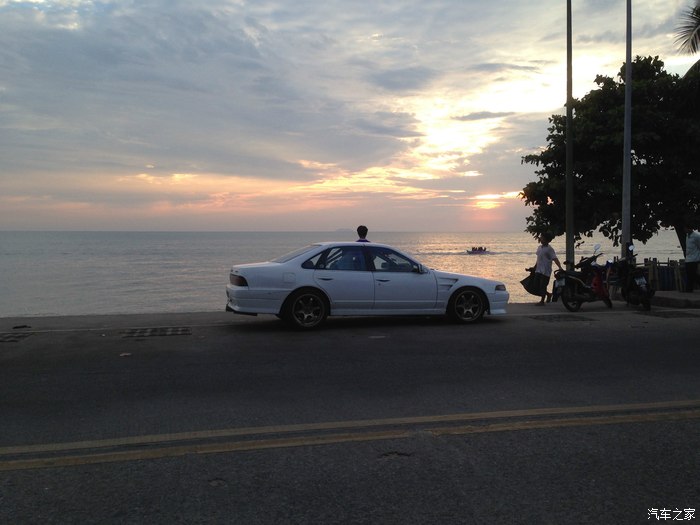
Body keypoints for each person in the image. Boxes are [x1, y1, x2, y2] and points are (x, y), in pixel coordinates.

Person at [533, 232, 563, 305]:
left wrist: (560, 267)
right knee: (536, 285)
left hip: (546, 270)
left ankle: (542, 301)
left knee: (543, 285)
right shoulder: (539, 247)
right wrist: (534, 267)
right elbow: (538, 259)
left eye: (542, 238)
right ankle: (548, 294)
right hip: (538, 270)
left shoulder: (550, 249)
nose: (541, 239)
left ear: (547, 240)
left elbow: (555, 258)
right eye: (541, 238)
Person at [684, 225, 700, 292]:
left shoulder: (696, 236)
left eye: (686, 228)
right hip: (688, 258)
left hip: (694, 258)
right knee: (689, 274)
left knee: (692, 274)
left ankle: (688, 288)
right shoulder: (687, 236)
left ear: (690, 229)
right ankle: (689, 289)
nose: (685, 230)